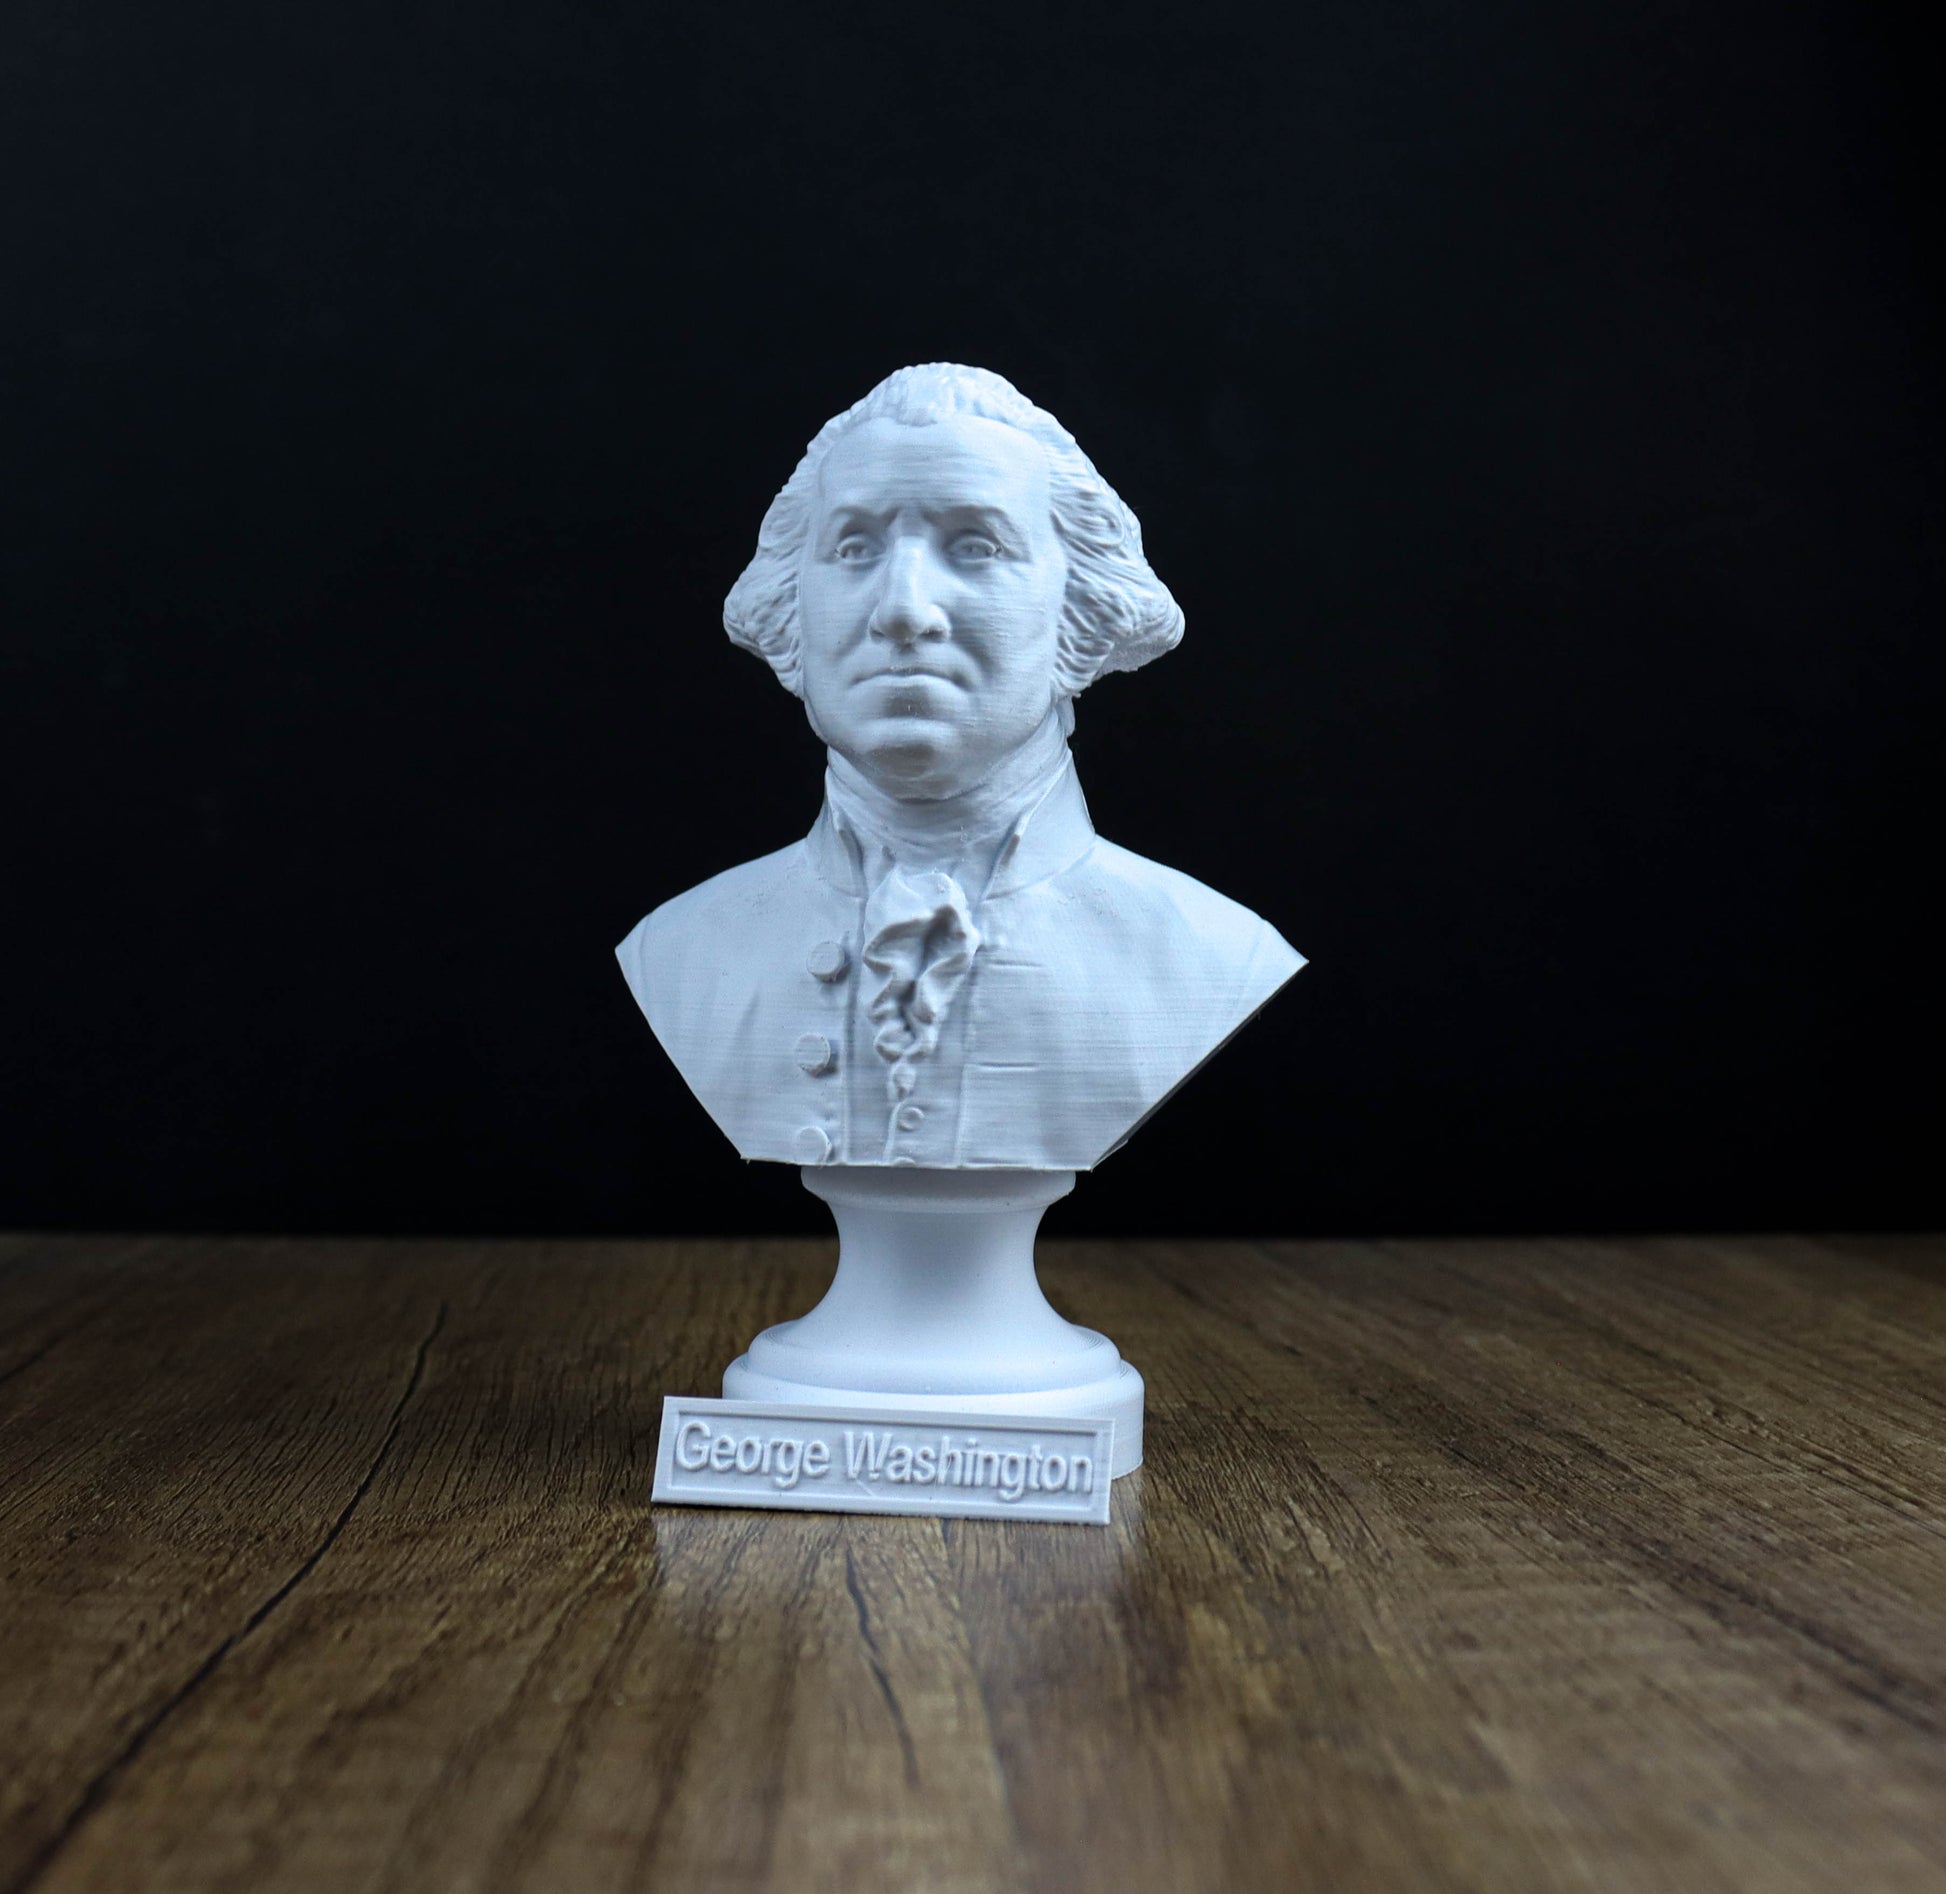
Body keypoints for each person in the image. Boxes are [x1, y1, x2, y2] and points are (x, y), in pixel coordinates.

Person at [618, 364, 1303, 1171]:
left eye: (976, 547)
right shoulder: (683, 948)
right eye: (854, 546)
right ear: (789, 602)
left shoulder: (1207, 954)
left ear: (1081, 604)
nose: (903, 607)